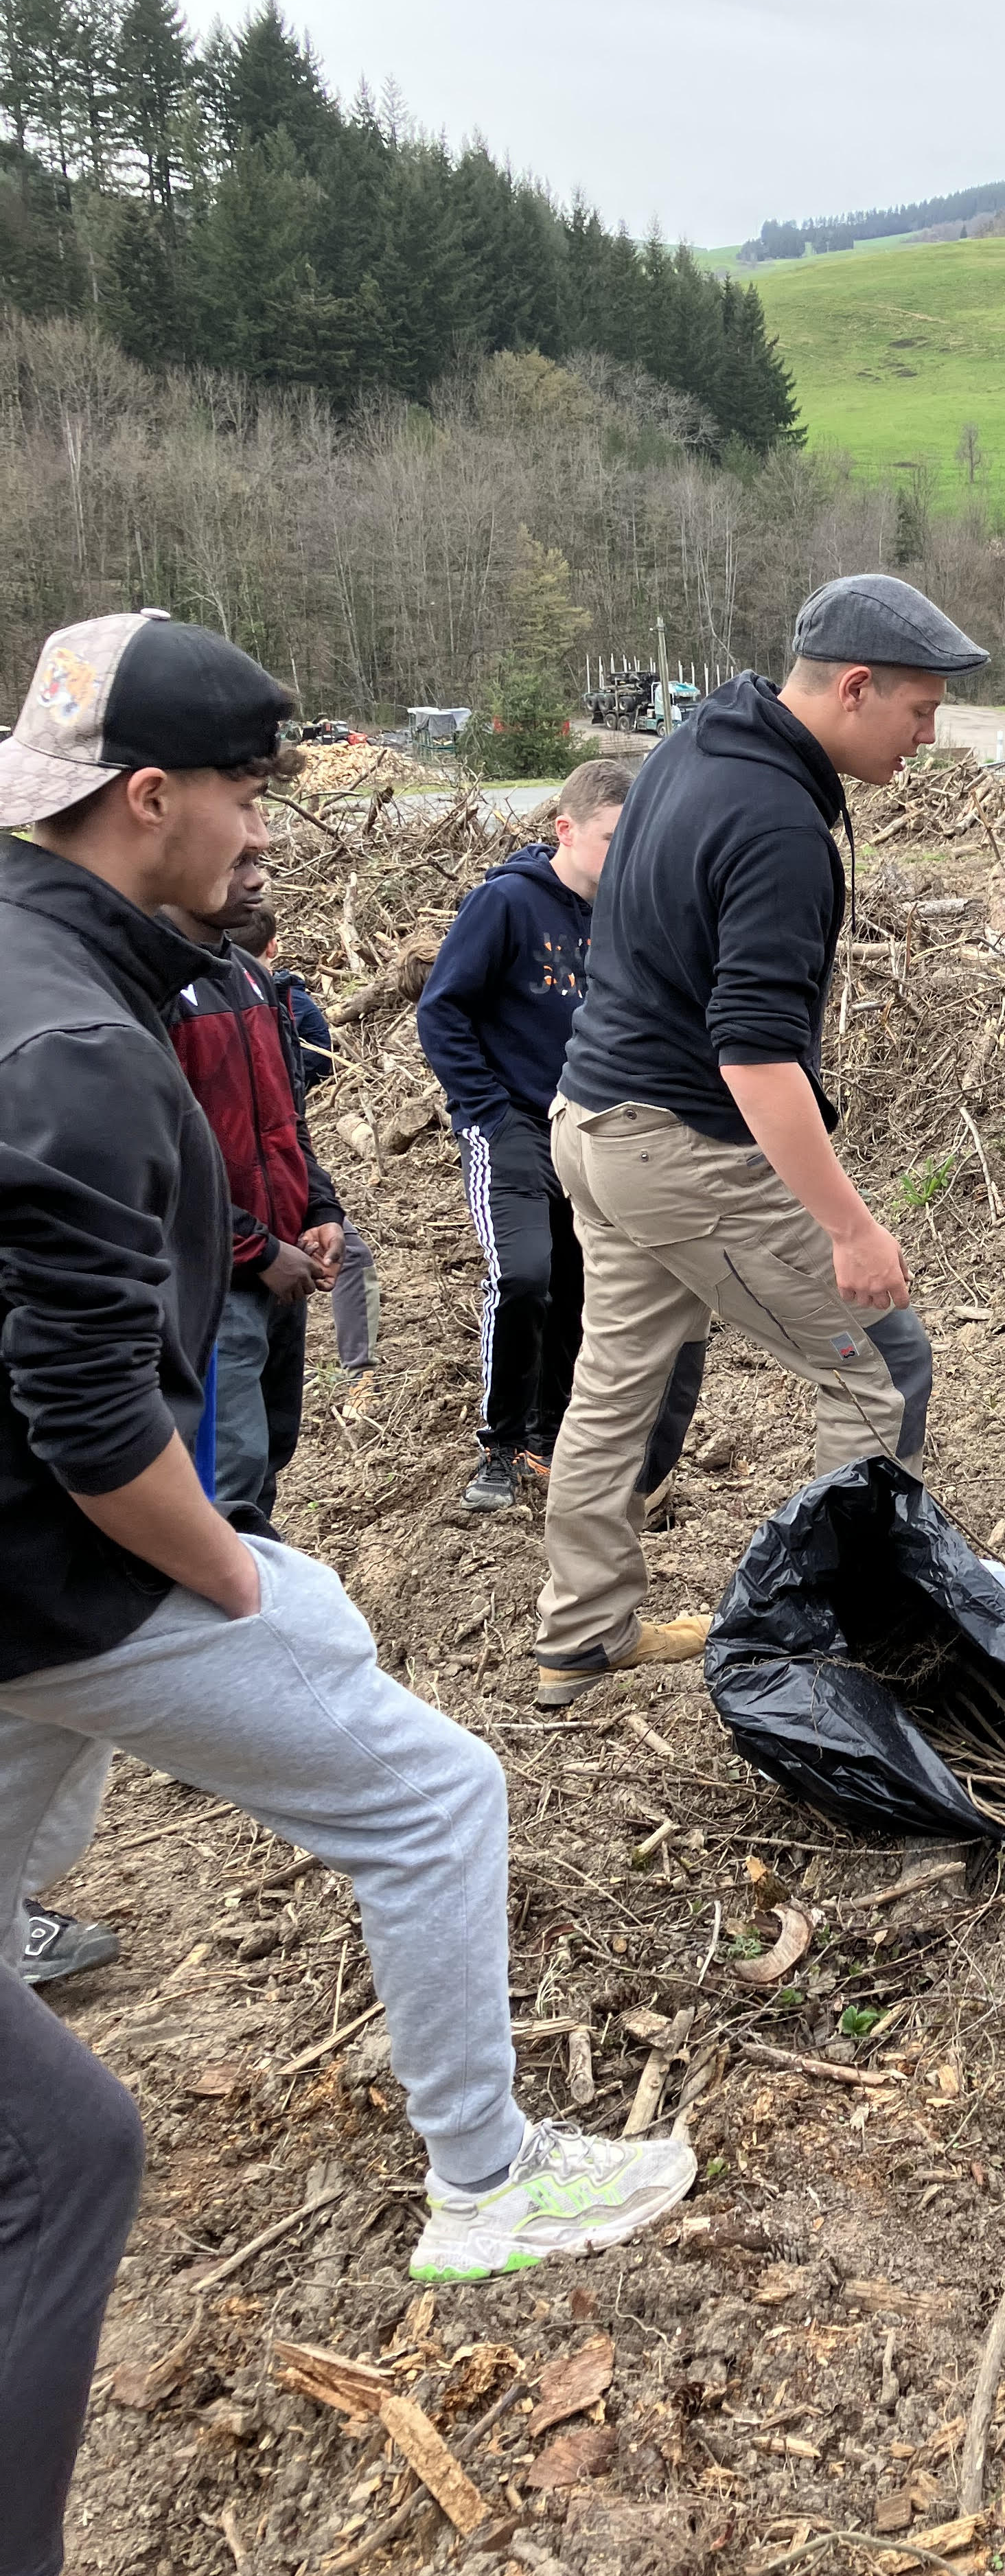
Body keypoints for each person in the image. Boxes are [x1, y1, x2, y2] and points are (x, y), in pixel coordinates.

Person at [0, 597, 693, 2468]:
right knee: (434, 1787)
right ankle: (485, 2179)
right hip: (55, 1568)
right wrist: (242, 1572)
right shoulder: (75, 1053)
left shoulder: (25, 959)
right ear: (147, 797)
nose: (264, 830)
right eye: (243, 793)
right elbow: (83, 1427)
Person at [531, 573, 985, 1710]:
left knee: (614, 1383)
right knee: (882, 1364)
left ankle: (579, 1635)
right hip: (681, 1143)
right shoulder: (779, 821)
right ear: (854, 684)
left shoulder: (699, 743)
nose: (926, 739)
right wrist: (851, 1226)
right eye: (918, 712)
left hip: (592, 1121)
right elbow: (753, 1056)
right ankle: (836, 1640)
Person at [415, 759, 705, 1514]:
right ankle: (500, 1445)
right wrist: (485, 1108)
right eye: (614, 837)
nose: (629, 854)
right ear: (566, 831)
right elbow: (442, 1011)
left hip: (593, 1129)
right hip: (510, 1124)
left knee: (582, 1290)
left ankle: (554, 1443)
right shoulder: (506, 903)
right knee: (525, 1277)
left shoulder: (628, 916)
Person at [161, 844, 343, 1521]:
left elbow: (286, 1122)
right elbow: (167, 1163)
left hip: (284, 1268)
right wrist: (258, 1251)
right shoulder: (152, 994)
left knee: (269, 1451)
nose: (257, 878)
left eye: (257, 862)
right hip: (214, 1283)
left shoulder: (257, 983)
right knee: (226, 1473)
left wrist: (321, 1208)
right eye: (236, 862)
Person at [224, 897, 381, 1396]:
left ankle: (355, 1370)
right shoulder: (280, 1000)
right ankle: (359, 1369)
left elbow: (287, 1116)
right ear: (273, 944)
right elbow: (318, 1063)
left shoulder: (274, 1002)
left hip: (281, 1183)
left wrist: (318, 1203)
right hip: (235, 1228)